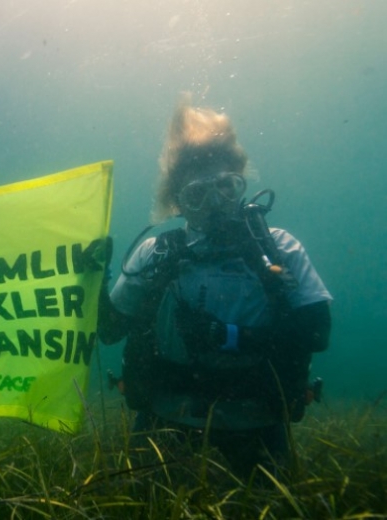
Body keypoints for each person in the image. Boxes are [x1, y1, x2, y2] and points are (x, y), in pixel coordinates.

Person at [98, 96, 332, 476]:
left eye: (225, 188)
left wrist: (226, 336)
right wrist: (96, 274)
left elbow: (318, 333)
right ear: (177, 203)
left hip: (256, 416)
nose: (214, 204)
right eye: (197, 194)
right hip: (167, 413)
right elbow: (110, 330)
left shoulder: (279, 249)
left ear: (241, 186)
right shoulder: (157, 253)